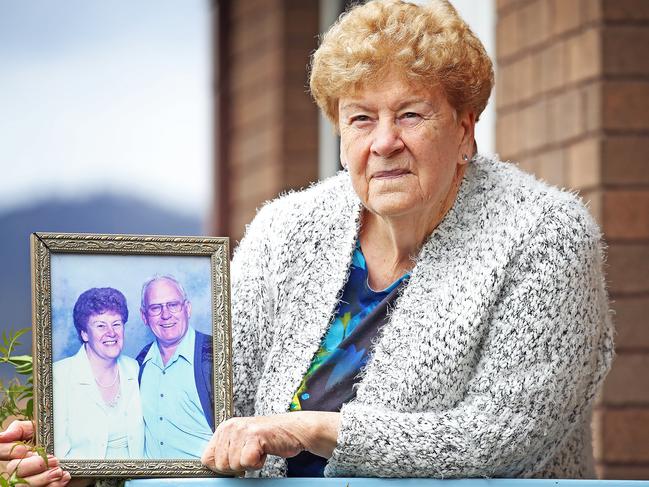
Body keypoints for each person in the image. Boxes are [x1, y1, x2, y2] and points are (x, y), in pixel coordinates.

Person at [0, 0, 614, 484]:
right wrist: (83, 459)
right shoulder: (286, 230)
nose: (384, 143)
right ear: (340, 133)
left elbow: (504, 436)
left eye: (411, 114)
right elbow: (209, 412)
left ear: (465, 128)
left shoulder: (543, 236)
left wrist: (313, 429)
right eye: (361, 118)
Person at [54, 287, 144, 459]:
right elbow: (57, 455)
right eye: (101, 325)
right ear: (85, 334)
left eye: (116, 324)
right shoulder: (58, 377)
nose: (111, 332)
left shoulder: (135, 368)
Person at [136, 275, 214, 459]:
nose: (165, 315)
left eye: (173, 305)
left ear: (187, 308)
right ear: (144, 316)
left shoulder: (216, 354)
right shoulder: (138, 363)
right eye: (155, 308)